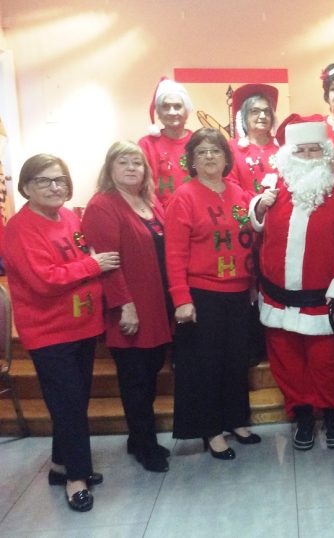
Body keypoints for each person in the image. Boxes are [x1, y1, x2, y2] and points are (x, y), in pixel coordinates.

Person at [4, 154, 120, 512]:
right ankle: (76, 479)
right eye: (44, 180)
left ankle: (59, 465)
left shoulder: (69, 217)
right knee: (69, 405)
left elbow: (80, 254)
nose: (54, 187)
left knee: (72, 401)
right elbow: (45, 280)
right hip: (50, 333)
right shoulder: (19, 229)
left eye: (60, 180)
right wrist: (92, 265)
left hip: (82, 326)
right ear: (26, 187)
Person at [248, 115, 334, 451]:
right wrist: (258, 209)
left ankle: (333, 415)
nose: (308, 157)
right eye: (301, 150)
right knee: (287, 362)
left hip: (321, 298)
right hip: (277, 296)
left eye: (315, 150)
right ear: (289, 154)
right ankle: (303, 415)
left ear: (327, 152)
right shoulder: (274, 185)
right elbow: (257, 230)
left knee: (325, 363)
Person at [165, 128, 260, 460]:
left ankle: (236, 419)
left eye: (216, 150)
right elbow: (174, 253)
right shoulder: (183, 197)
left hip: (238, 293)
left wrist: (252, 282)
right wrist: (181, 298)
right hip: (202, 294)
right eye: (202, 152)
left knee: (236, 361)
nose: (209, 156)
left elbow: (250, 241)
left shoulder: (239, 193)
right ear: (191, 160)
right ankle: (211, 429)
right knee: (206, 366)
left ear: (226, 157)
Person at [81, 141, 172, 473]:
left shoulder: (150, 201)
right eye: (124, 162)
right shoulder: (103, 205)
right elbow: (107, 264)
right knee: (135, 381)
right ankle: (145, 446)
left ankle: (138, 437)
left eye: (138, 162)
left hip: (157, 305)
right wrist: (125, 306)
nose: (132, 168)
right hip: (131, 307)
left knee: (150, 374)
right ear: (110, 168)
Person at [138, 78, 194, 207]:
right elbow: (141, 188)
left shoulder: (199, 142)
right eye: (165, 107)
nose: (172, 112)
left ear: (187, 110)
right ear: (158, 112)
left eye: (177, 106)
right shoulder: (146, 144)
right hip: (159, 213)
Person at [228, 83, 280, 196]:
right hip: (246, 206)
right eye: (255, 111)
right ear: (244, 116)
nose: (262, 116)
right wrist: (258, 202)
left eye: (267, 111)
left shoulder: (282, 147)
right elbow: (231, 187)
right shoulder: (232, 148)